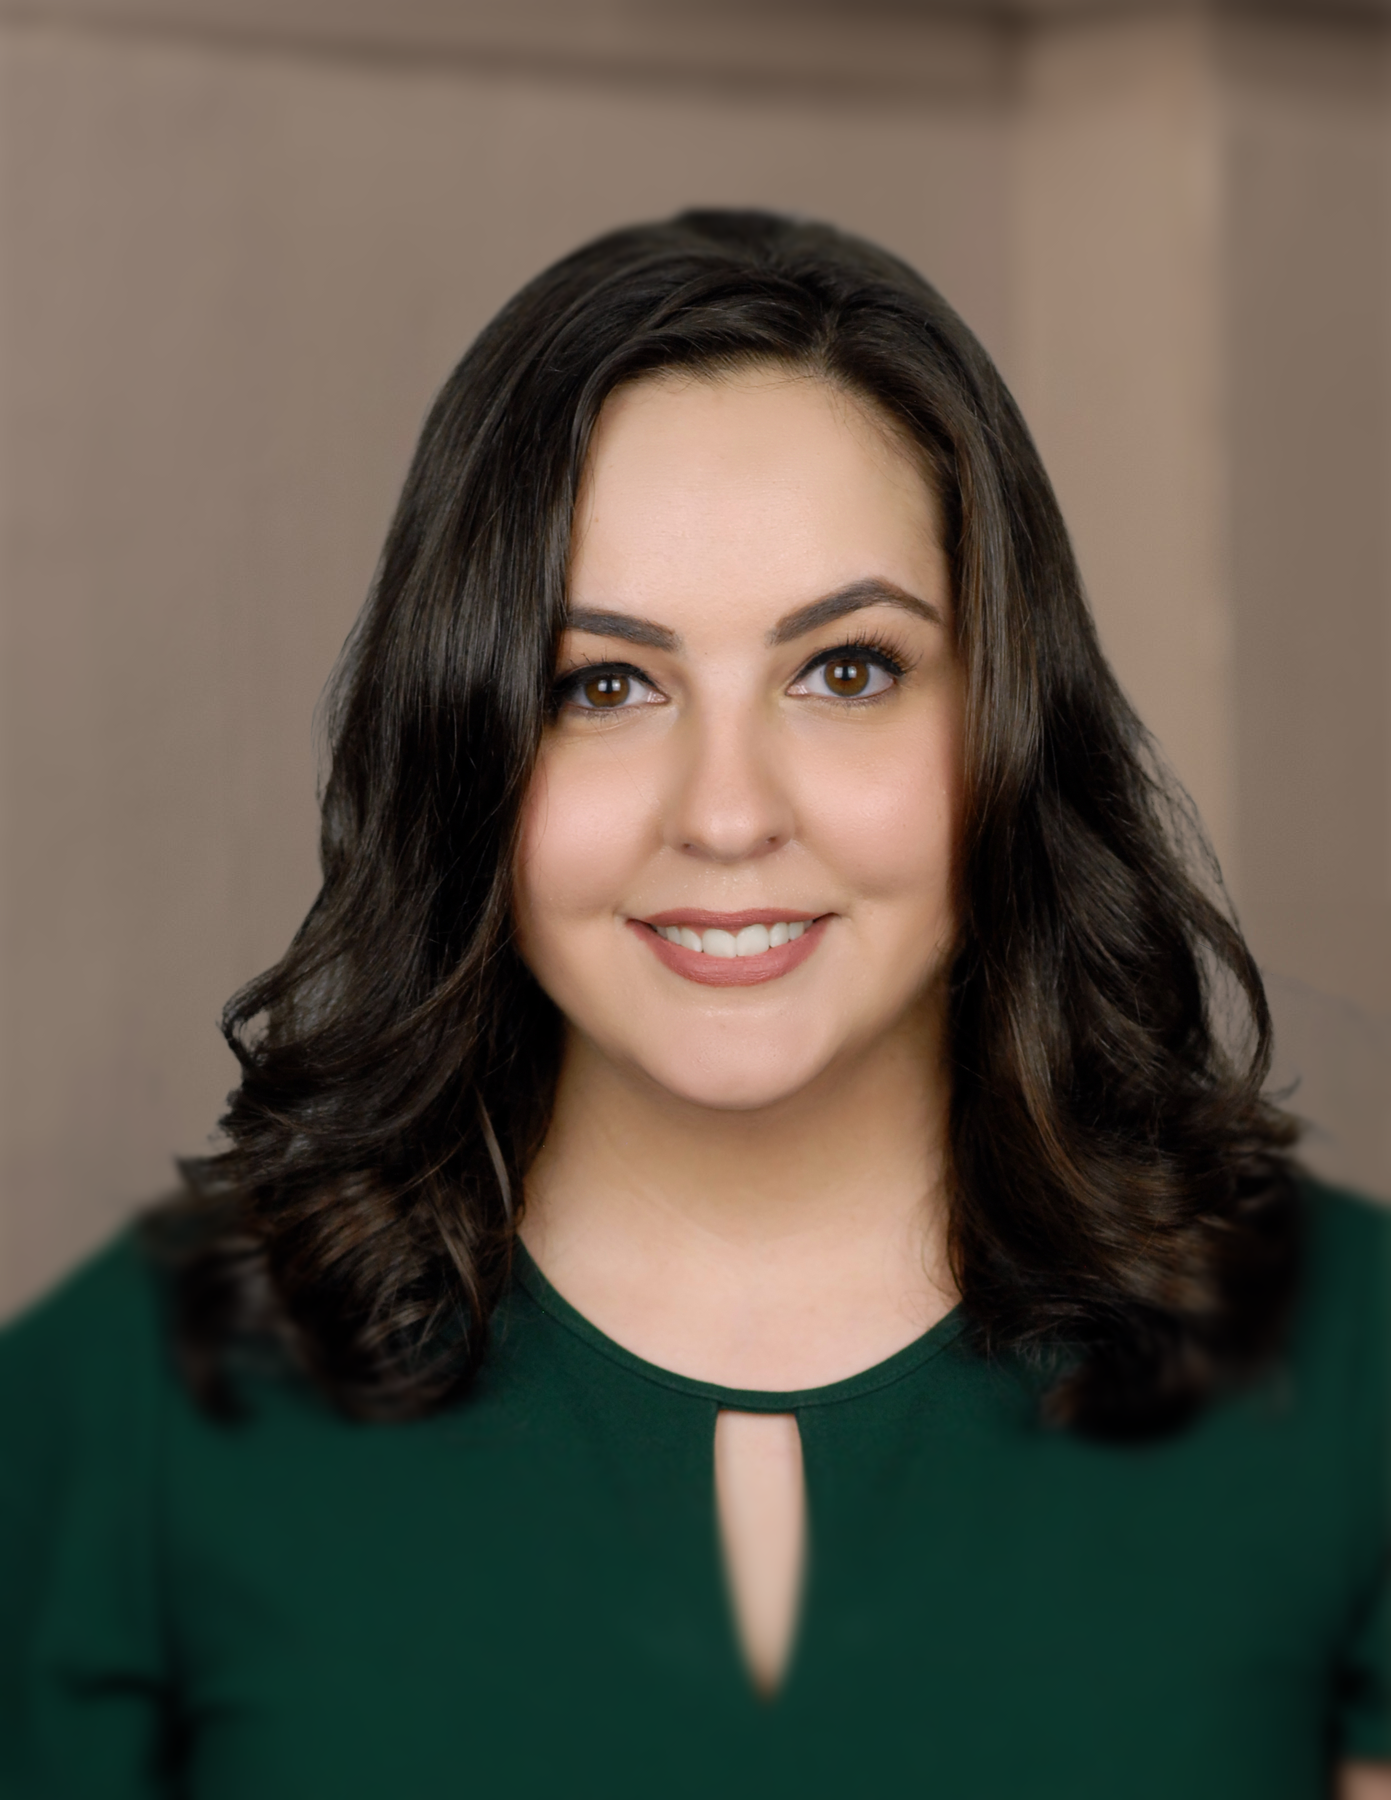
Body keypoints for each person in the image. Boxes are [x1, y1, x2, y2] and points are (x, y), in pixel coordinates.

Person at [1, 209, 1387, 1800]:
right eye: (603, 686)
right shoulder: (128, 1413)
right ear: (470, 755)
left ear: (1004, 721)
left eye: (845, 671)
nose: (725, 815)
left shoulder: (1348, 1371)